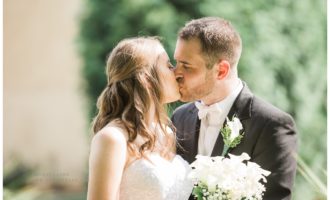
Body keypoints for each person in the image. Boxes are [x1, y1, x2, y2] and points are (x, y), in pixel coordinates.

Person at [171, 17, 297, 200]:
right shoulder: (179, 118)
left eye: (186, 66)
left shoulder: (272, 125)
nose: (176, 73)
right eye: (177, 62)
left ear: (221, 70)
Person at [87, 37, 193, 200]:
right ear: (147, 79)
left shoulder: (166, 134)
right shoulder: (113, 138)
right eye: (168, 65)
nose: (177, 73)